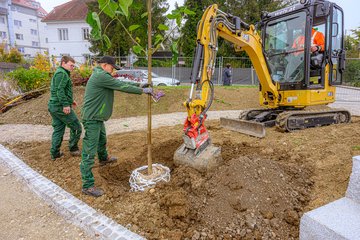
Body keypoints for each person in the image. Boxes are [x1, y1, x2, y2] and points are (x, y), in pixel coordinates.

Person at [80, 56, 153, 197]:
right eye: (112, 68)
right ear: (105, 65)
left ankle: (103, 158)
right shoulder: (101, 76)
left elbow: (118, 82)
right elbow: (120, 86)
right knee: (89, 149)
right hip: (92, 118)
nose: (113, 71)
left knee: (101, 140)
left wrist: (139, 86)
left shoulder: (100, 75)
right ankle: (87, 186)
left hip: (97, 117)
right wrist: (141, 91)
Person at [48, 56, 82, 160]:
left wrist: (70, 100)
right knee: (76, 126)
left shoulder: (61, 72)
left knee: (58, 129)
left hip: (54, 106)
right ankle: (73, 148)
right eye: (71, 65)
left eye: (73, 65)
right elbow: (59, 90)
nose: (72, 67)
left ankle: (55, 153)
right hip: (59, 106)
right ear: (63, 63)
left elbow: (62, 90)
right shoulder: (61, 74)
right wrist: (65, 105)